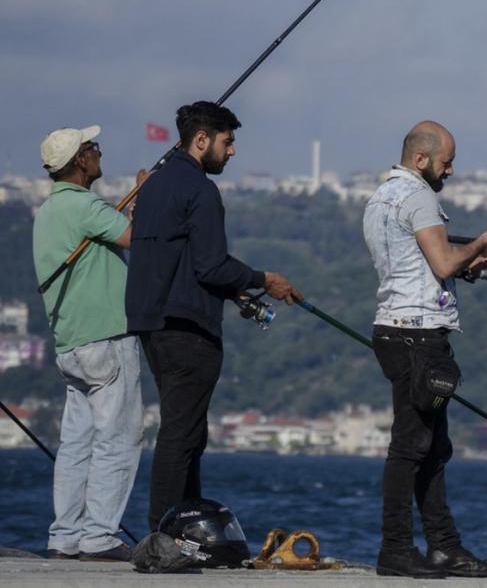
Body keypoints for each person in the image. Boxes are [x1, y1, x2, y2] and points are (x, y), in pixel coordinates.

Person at [125, 101, 302, 530]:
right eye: (228, 142)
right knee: (181, 435)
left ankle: (185, 526)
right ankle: (165, 532)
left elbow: (183, 260)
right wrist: (265, 279)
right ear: (201, 140)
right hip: (189, 330)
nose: (232, 152)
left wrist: (234, 287)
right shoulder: (202, 191)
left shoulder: (151, 188)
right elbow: (211, 265)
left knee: (186, 432)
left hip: (152, 323)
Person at [363, 120, 487, 578]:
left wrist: (468, 265)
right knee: (411, 446)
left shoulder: (380, 197)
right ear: (420, 159)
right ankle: (397, 548)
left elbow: (424, 266)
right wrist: (480, 243)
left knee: (433, 445)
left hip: (393, 330)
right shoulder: (421, 196)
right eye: (447, 163)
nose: (451, 171)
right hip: (419, 337)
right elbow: (443, 260)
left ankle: (444, 546)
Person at [32, 126, 143, 562]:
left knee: (76, 444)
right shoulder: (85, 205)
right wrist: (142, 194)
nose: (99, 152)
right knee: (119, 437)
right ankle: (99, 537)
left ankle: (64, 537)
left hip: (70, 344)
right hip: (106, 338)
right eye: (93, 148)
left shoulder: (48, 211)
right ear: (80, 161)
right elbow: (136, 238)